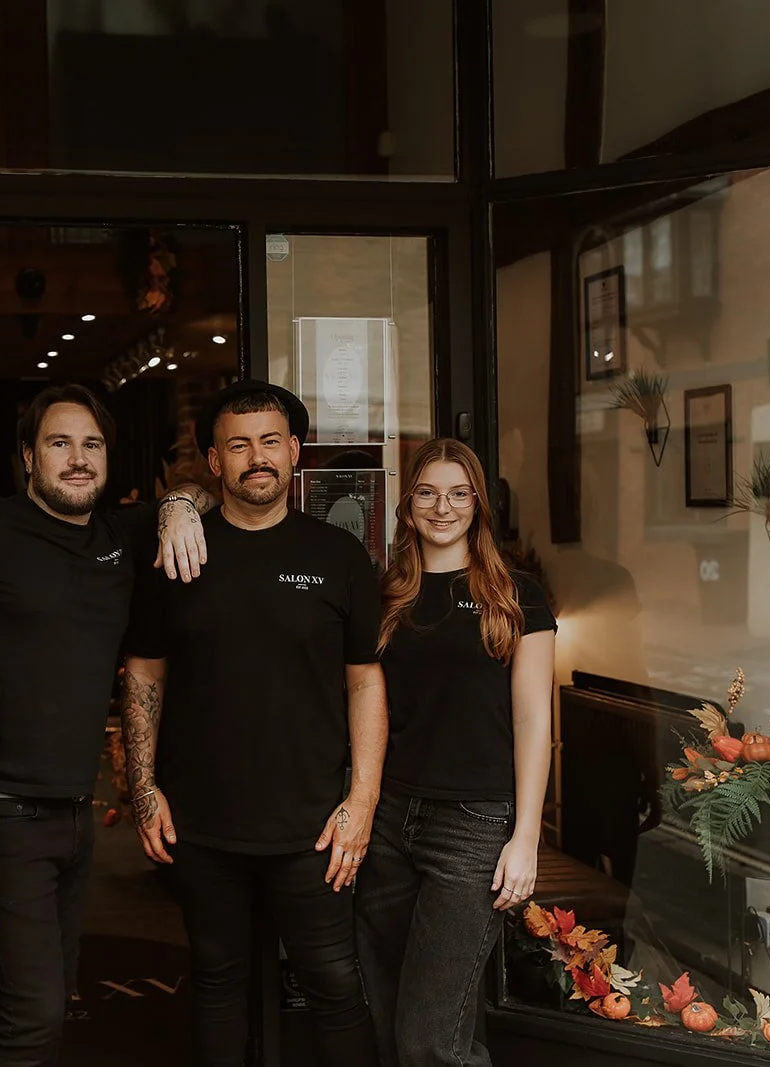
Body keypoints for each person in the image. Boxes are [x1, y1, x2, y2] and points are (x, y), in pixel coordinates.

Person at [0, 383, 211, 1067]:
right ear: (28, 457)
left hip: (74, 816)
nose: (78, 458)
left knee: (46, 1001)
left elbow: (210, 484)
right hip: (0, 814)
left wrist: (179, 504)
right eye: (59, 443)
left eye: (91, 444)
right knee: (31, 1014)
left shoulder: (118, 536)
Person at [121, 381, 384, 1067]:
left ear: (294, 451)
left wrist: (362, 801)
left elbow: (366, 681)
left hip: (314, 826)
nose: (256, 457)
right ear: (214, 461)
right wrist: (143, 785)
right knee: (217, 983)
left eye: (270, 441)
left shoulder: (339, 556)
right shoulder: (177, 555)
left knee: (333, 982)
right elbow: (144, 672)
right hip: (202, 824)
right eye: (238, 445)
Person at [353, 437, 556, 1067]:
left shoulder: (516, 597)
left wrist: (525, 836)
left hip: (473, 831)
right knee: (395, 1022)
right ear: (407, 505)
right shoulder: (385, 597)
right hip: (390, 824)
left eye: (459, 493)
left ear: (479, 506)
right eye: (428, 492)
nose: (443, 506)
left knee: (428, 1040)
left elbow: (533, 720)